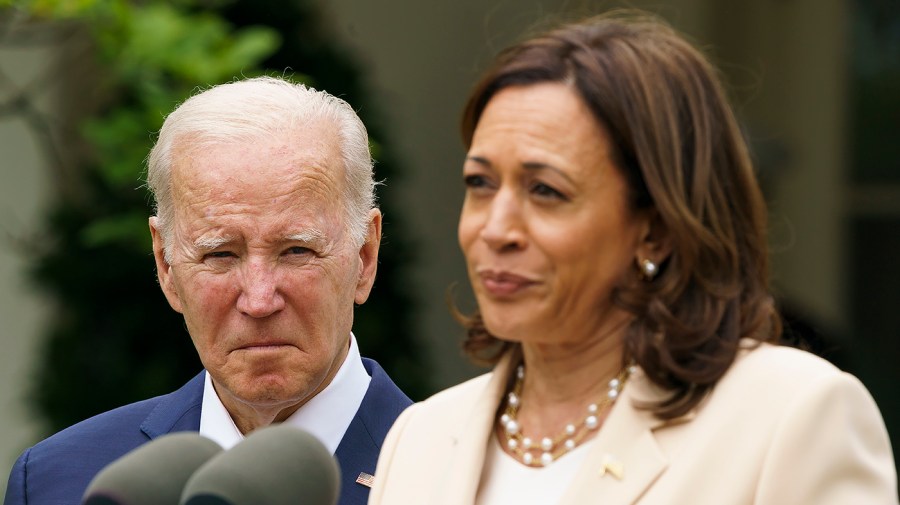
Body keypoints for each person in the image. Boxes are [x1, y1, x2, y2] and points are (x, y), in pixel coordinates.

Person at [369, 12, 897, 505]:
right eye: (480, 183)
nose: (496, 228)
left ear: (658, 229)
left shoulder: (792, 415)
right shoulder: (421, 436)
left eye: (546, 190)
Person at [5, 76, 411, 505]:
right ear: (165, 264)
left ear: (365, 256)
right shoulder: (61, 481)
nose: (258, 300)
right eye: (220, 255)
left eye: (296, 250)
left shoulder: (463, 479)